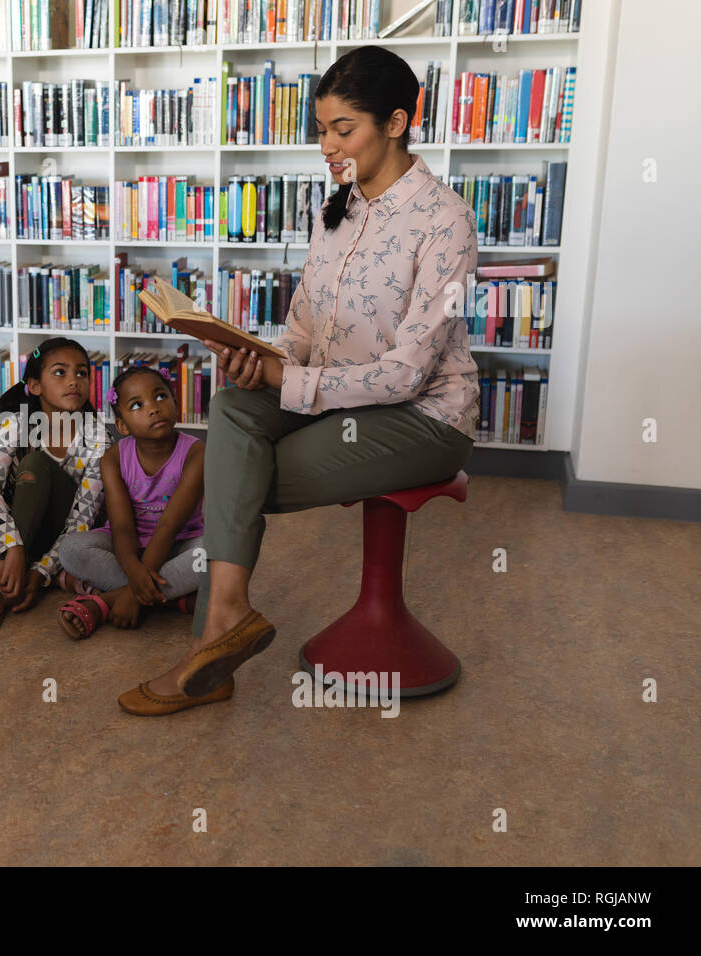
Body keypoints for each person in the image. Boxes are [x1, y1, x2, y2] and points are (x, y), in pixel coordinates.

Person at [133, 45, 479, 716]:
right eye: (320, 128)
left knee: (240, 474)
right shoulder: (338, 210)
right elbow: (302, 330)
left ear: (398, 122)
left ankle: (211, 640)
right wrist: (255, 359)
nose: (327, 144)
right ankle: (225, 618)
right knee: (233, 407)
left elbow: (408, 373)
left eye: (343, 128)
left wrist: (288, 382)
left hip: (426, 419)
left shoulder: (447, 221)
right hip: (333, 393)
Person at [0, 338, 113, 637]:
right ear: (35, 385)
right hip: (21, 528)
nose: (74, 381)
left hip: (66, 536)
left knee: (34, 466)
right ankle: (50, 575)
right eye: (60, 372)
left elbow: (81, 523)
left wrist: (40, 570)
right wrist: (12, 545)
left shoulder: (98, 439)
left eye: (82, 373)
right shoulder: (16, 424)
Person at [55, 366, 205, 645]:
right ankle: (173, 600)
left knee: (212, 554)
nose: (153, 409)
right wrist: (135, 571)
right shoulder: (112, 459)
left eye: (160, 397)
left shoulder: (196, 452)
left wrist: (131, 593)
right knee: (71, 550)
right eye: (137, 405)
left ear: (175, 403)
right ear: (122, 425)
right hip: (128, 547)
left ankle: (109, 600)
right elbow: (122, 527)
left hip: (180, 541)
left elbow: (170, 526)